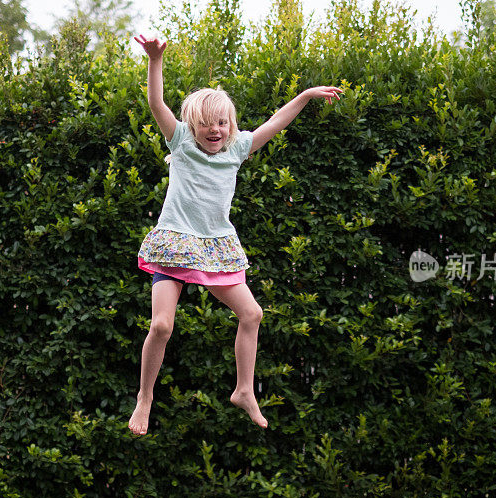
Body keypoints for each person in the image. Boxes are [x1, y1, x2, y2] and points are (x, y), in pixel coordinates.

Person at [128, 34, 342, 436]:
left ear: (231, 125)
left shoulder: (237, 149)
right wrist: (155, 61)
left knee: (252, 313)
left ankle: (245, 390)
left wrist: (307, 95)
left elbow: (277, 122)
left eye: (222, 122)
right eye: (206, 124)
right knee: (161, 326)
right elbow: (157, 104)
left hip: (214, 248)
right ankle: (145, 396)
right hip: (176, 243)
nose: (215, 130)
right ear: (193, 127)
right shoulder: (181, 142)